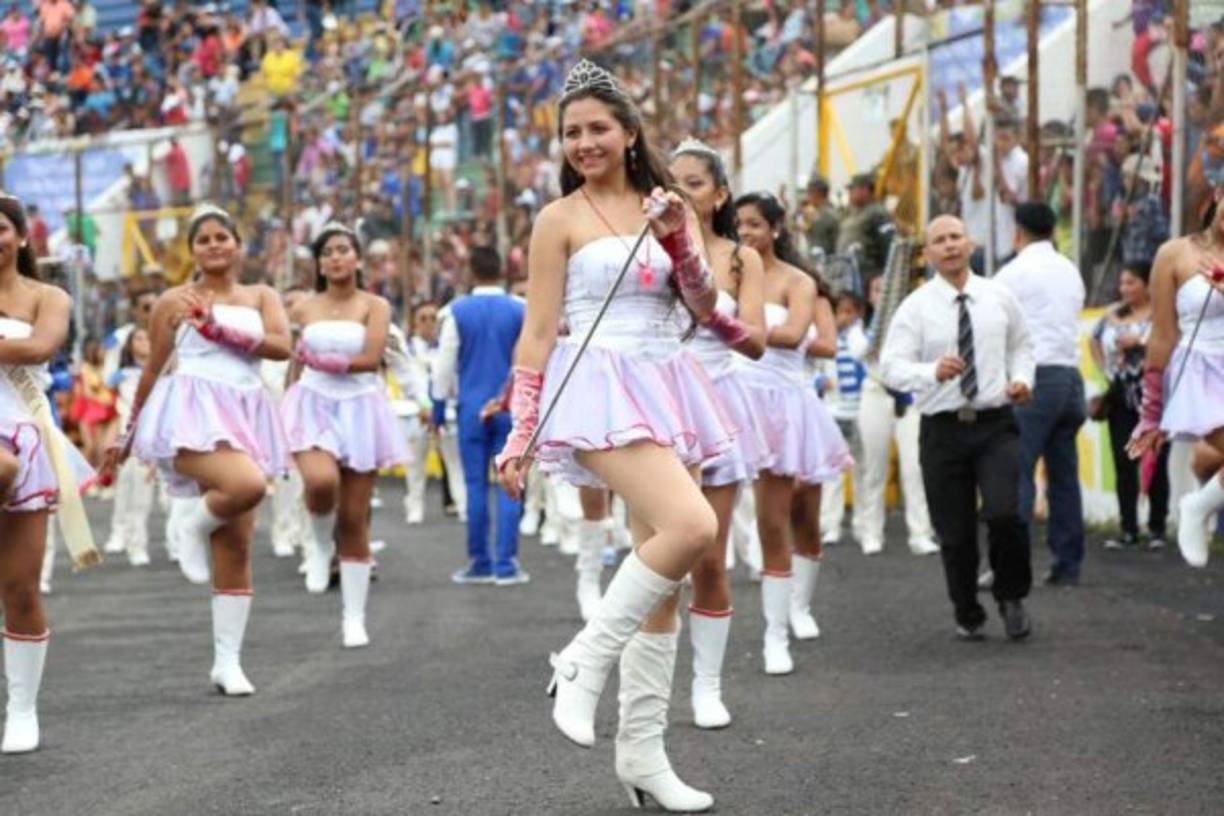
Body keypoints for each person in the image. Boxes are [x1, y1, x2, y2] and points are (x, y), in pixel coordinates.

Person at [496, 59, 731, 812]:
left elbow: (704, 305)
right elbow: (537, 333)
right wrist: (520, 432)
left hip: (666, 383)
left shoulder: (669, 206)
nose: (584, 143)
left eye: (598, 128)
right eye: (571, 133)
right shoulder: (556, 219)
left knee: (664, 578)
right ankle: (581, 661)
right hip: (595, 388)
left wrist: (676, 240)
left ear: (630, 132)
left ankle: (642, 755)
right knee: (692, 527)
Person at [121, 204, 291, 695]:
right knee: (246, 485)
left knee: (236, 543)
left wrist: (218, 327)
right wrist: (127, 432)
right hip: (189, 412)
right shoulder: (173, 300)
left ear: (238, 244)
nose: (214, 245)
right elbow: (153, 368)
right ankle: (190, 524)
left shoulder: (261, 295)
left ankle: (228, 661)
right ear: (193, 250)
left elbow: (282, 347)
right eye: (204, 239)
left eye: (222, 237)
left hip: (245, 410)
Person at [880, 215, 1036, 641]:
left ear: (970, 243)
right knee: (955, 530)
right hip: (942, 429)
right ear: (928, 253)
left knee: (1005, 512)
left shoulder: (999, 297)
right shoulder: (915, 307)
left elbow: (1022, 345)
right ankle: (967, 609)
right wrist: (931, 371)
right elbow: (890, 368)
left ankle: (1011, 595)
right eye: (939, 241)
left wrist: (1023, 379)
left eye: (955, 237)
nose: (949, 246)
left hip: (995, 423)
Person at [669, 138, 767, 729]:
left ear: (719, 194)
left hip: (718, 404)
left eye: (695, 183)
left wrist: (712, 309)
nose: (682, 192)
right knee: (656, 557)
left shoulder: (739, 259)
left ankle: (706, 685)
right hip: (656, 403)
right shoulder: (644, 249)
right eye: (672, 182)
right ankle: (648, 684)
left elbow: (755, 341)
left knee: (708, 556)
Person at [736, 190, 852, 675]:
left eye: (754, 225)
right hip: (736, 399)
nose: (744, 233)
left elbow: (804, 336)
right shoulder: (729, 274)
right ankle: (775, 623)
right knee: (760, 520)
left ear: (776, 228)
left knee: (796, 517)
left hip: (787, 404)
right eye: (737, 224)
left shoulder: (799, 282)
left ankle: (789, 618)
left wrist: (729, 326)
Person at [282, 224, 408, 647]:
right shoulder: (301, 307)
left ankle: (354, 617)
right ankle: (318, 545)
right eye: (328, 252)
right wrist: (287, 402)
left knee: (355, 517)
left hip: (360, 406)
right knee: (320, 482)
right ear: (319, 263)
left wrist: (324, 360)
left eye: (343, 249)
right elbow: (293, 364)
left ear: (356, 259)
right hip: (313, 402)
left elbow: (371, 358)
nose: (336, 257)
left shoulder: (375, 305)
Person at [0, 194, 94, 753]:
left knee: (19, 587)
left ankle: (22, 709)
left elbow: (41, 346)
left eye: (1, 228)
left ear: (20, 236)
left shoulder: (47, 295)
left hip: (22, 429)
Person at [1128, 188, 1224, 568]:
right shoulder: (1174, 254)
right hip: (1201, 369)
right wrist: (1151, 414)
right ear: (1218, 194)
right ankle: (1199, 507)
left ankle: (1199, 504)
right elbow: (1163, 336)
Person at [995, 202, 1087, 586]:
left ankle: (1012, 567)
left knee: (1018, 471)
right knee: (1064, 476)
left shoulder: (1012, 273)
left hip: (1033, 378)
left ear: (1018, 231)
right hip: (1069, 377)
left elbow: (995, 327)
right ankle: (1067, 566)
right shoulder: (1070, 270)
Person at [432, 245, 528, 586]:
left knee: (474, 485)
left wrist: (438, 405)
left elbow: (444, 364)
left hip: (471, 408)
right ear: (501, 271)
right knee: (511, 483)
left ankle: (479, 561)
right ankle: (506, 564)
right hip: (512, 407)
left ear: (471, 272)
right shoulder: (521, 309)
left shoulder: (455, 311)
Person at [851, 274, 938, 556]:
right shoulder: (860, 327)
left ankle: (920, 533)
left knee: (915, 468)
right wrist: (880, 321)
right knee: (874, 469)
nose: (883, 295)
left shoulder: (912, 324)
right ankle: (871, 532)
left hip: (908, 398)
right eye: (877, 290)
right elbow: (862, 352)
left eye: (889, 290)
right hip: (875, 394)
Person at [1089, 262, 1168, 549]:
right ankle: (1128, 528)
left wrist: (1142, 341)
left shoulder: (1161, 313)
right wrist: (1105, 369)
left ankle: (1157, 527)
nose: (1125, 289)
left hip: (1153, 396)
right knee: (1124, 461)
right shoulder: (1111, 315)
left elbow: (1173, 342)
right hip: (1121, 394)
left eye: (1131, 282)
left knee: (1156, 461)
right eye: (1122, 283)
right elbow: (1093, 340)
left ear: (1147, 284)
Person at [102, 327, 154, 566]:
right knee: (125, 484)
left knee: (143, 492)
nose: (143, 343)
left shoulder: (160, 373)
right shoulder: (122, 373)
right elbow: (105, 380)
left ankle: (139, 544)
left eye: (147, 338)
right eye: (139, 338)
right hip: (125, 436)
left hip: (150, 437)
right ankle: (118, 532)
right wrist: (116, 343)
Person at [836, 173, 894, 284]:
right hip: (851, 276)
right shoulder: (853, 212)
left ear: (865, 190)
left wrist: (882, 276)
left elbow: (887, 246)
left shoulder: (878, 213)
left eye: (853, 189)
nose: (850, 193)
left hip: (869, 277)